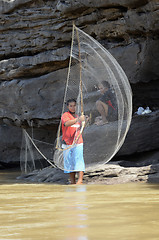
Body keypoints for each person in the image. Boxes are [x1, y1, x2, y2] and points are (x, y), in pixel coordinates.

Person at [61, 99, 85, 184]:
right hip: (67, 143)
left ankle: (80, 181)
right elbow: (66, 124)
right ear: (68, 107)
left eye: (74, 106)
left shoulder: (78, 116)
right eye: (71, 106)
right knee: (69, 164)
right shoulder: (65, 115)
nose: (73, 107)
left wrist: (84, 121)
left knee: (79, 161)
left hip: (78, 142)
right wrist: (78, 120)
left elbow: (81, 127)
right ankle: (72, 181)